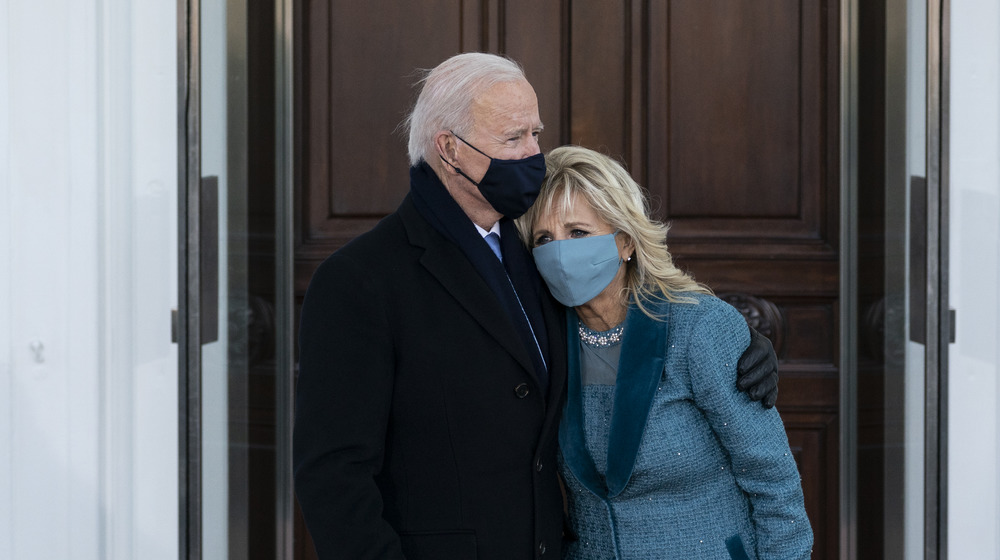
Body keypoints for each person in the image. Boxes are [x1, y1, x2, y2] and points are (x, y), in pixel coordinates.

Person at [293, 52, 780, 560]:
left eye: (536, 134)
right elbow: (332, 476)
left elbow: (613, 318)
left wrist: (739, 347)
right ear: (449, 150)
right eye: (513, 139)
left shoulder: (536, 251)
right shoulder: (360, 280)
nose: (534, 154)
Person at [515, 145, 813, 559]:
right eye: (544, 239)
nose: (560, 252)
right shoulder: (540, 342)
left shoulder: (697, 328)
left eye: (578, 232)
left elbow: (773, 482)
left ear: (625, 242)